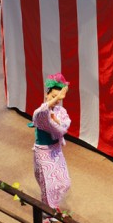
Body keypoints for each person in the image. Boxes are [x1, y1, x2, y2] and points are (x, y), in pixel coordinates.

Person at [32, 74, 72, 211]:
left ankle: (53, 205)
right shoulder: (42, 111)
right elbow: (39, 116)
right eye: (53, 96)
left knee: (64, 182)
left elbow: (65, 126)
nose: (56, 101)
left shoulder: (60, 111)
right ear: (46, 94)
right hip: (43, 152)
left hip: (56, 150)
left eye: (58, 98)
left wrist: (58, 122)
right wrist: (54, 121)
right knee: (47, 184)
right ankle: (47, 214)